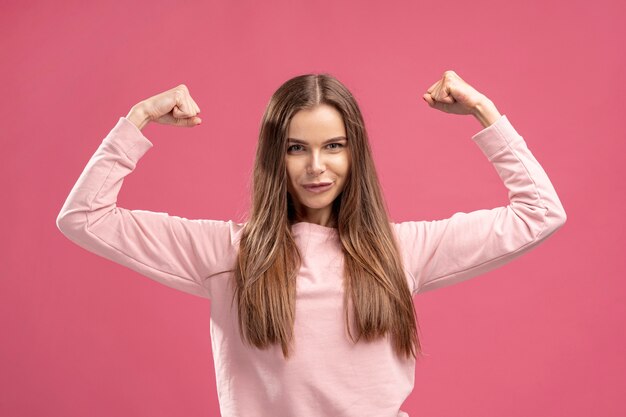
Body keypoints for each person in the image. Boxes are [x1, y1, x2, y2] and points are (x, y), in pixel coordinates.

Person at [56, 71, 567, 417]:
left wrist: (484, 111)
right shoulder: (227, 254)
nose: (316, 166)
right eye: (297, 148)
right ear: (273, 157)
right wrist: (138, 119)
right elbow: (85, 216)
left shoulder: (402, 251)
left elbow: (539, 212)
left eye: (334, 146)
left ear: (355, 153)